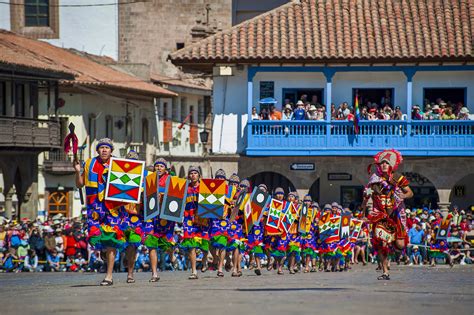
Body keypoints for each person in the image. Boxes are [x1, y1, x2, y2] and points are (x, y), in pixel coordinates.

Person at [74, 138, 126, 286]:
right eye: (101, 147)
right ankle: (103, 250)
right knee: (94, 236)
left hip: (113, 208)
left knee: (111, 239)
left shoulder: (119, 165)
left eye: (107, 148)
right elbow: (79, 184)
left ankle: (109, 276)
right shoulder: (89, 163)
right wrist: (78, 172)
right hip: (94, 207)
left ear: (111, 151)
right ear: (97, 150)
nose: (104, 150)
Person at [363, 149, 414, 280]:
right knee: (381, 244)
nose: (384, 165)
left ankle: (395, 249)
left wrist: (403, 195)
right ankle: (385, 271)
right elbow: (365, 200)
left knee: (401, 245)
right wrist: (365, 199)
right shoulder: (374, 180)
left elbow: (410, 192)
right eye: (381, 163)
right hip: (380, 215)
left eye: (386, 163)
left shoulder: (398, 178)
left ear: (392, 165)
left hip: (396, 214)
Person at [143, 157, 174, 283]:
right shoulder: (148, 179)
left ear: (165, 169)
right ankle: (154, 273)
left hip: (165, 216)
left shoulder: (170, 180)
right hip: (152, 215)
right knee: (151, 244)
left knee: (166, 243)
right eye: (157, 166)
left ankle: (171, 254)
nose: (159, 168)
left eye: (161, 166)